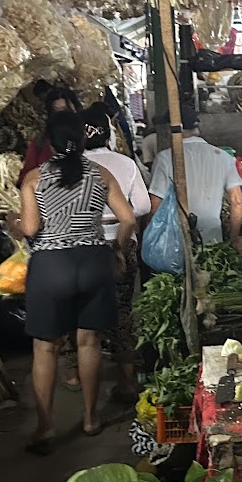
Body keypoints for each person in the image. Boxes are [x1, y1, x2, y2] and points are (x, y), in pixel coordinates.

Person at [19, 110, 136, 454]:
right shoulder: (101, 175)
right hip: (93, 262)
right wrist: (116, 249)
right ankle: (89, 418)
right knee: (89, 343)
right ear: (84, 139)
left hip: (50, 266)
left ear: (49, 142)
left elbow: (29, 229)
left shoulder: (34, 178)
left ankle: (44, 427)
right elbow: (127, 218)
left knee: (45, 347)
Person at [83, 103, 152, 402]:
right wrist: (117, 216)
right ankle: (126, 380)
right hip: (122, 245)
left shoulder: (69, 166)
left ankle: (80, 378)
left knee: (85, 317)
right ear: (109, 133)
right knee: (123, 311)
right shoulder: (124, 164)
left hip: (83, 250)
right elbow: (144, 206)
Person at [147, 113, 242, 252]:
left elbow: (155, 206)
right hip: (214, 240)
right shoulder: (223, 157)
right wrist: (234, 238)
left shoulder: (165, 158)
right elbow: (237, 201)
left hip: (177, 243)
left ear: (174, 130)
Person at [18, 84, 82, 182]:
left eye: (65, 110)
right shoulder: (41, 141)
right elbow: (25, 177)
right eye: (56, 111)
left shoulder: (88, 137)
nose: (62, 115)